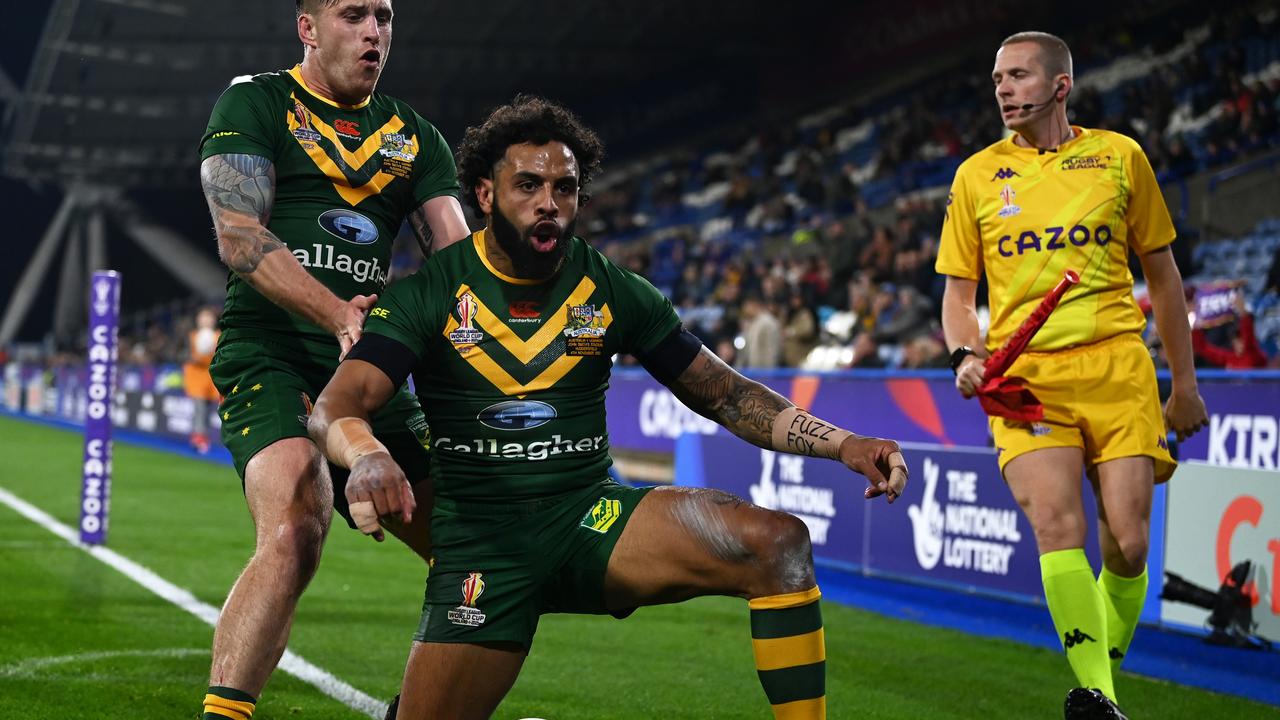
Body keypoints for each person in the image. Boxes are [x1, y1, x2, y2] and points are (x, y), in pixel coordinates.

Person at [307, 95, 909, 720]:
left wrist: (844, 444)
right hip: (484, 543)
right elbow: (336, 407)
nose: (549, 202)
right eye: (528, 185)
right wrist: (369, 454)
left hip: (590, 520)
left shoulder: (614, 291)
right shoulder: (427, 294)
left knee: (779, 544)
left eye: (565, 188)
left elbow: (726, 395)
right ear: (485, 196)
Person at [195, 1, 471, 718]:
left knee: (478, 554)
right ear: (308, 28)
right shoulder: (257, 102)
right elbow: (238, 236)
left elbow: (460, 266)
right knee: (296, 526)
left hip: (369, 370)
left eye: (383, 15)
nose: (374, 31)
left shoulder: (416, 137)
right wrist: (339, 313)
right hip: (272, 352)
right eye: (353, 15)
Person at [937, 32, 1208, 720]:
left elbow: (1164, 277)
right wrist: (964, 354)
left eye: (1019, 75)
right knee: (1058, 525)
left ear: (1060, 86)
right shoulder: (975, 176)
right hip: (1026, 381)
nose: (1002, 88)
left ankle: (1095, 687)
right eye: (997, 77)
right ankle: (1098, 701)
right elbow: (959, 295)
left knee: (1129, 541)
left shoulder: (1121, 158)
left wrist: (1185, 384)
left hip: (1119, 367)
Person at [184, 307, 222, 454]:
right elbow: (184, 355)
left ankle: (203, 438)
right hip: (196, 378)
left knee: (206, 410)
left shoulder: (219, 336)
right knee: (199, 408)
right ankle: (198, 439)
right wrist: (193, 358)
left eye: (208, 317)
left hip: (211, 377)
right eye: (203, 317)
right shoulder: (192, 336)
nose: (205, 320)